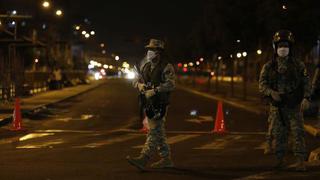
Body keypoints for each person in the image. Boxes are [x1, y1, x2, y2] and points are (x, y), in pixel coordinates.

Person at [259, 30, 311, 171]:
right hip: (278, 107)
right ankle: (279, 160)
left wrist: (306, 98)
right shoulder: (269, 66)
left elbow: (306, 82)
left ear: (290, 47)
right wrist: (271, 92)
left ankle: (300, 161)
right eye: (280, 45)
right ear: (275, 47)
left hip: (294, 106)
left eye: (286, 45)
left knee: (298, 133)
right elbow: (262, 85)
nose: (283, 48)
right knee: (279, 134)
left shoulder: (298, 65)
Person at [127, 39, 176, 170]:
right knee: (158, 131)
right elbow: (136, 79)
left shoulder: (166, 67)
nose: (149, 52)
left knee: (154, 132)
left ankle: (144, 158)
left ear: (159, 52)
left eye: (153, 50)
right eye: (149, 49)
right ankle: (166, 159)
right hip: (148, 103)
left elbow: (171, 84)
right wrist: (139, 85)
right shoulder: (146, 66)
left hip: (160, 104)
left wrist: (155, 90)